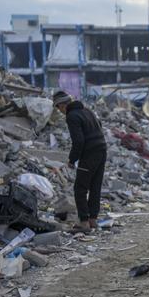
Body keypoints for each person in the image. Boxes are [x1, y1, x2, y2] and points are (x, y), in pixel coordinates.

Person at [53, 90, 107, 232]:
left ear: (62, 105)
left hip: (90, 153)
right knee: (95, 186)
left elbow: (79, 141)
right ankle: (92, 220)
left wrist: (72, 159)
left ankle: (83, 222)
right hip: (102, 149)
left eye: (58, 108)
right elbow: (99, 127)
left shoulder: (72, 116)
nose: (59, 111)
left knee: (80, 189)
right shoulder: (87, 111)